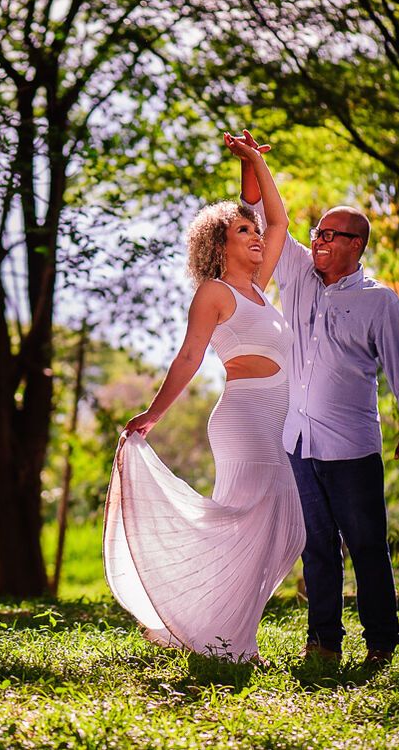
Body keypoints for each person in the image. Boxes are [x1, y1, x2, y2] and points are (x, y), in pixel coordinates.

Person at [103, 130, 306, 665]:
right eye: (244, 232)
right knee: (263, 523)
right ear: (220, 247)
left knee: (281, 526)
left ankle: (214, 622)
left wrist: (254, 161)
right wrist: (153, 414)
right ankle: (232, 642)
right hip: (245, 419)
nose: (258, 236)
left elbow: (277, 219)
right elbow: (189, 358)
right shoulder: (215, 292)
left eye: (254, 232)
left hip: (278, 416)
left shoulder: (260, 286)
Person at [240, 144, 399, 668]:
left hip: (352, 445)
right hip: (299, 441)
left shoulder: (379, 301)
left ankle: (381, 644)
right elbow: (266, 216)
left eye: (329, 235)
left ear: (356, 245)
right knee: (317, 548)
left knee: (367, 547)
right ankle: (323, 641)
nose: (317, 241)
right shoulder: (297, 276)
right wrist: (252, 162)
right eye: (316, 233)